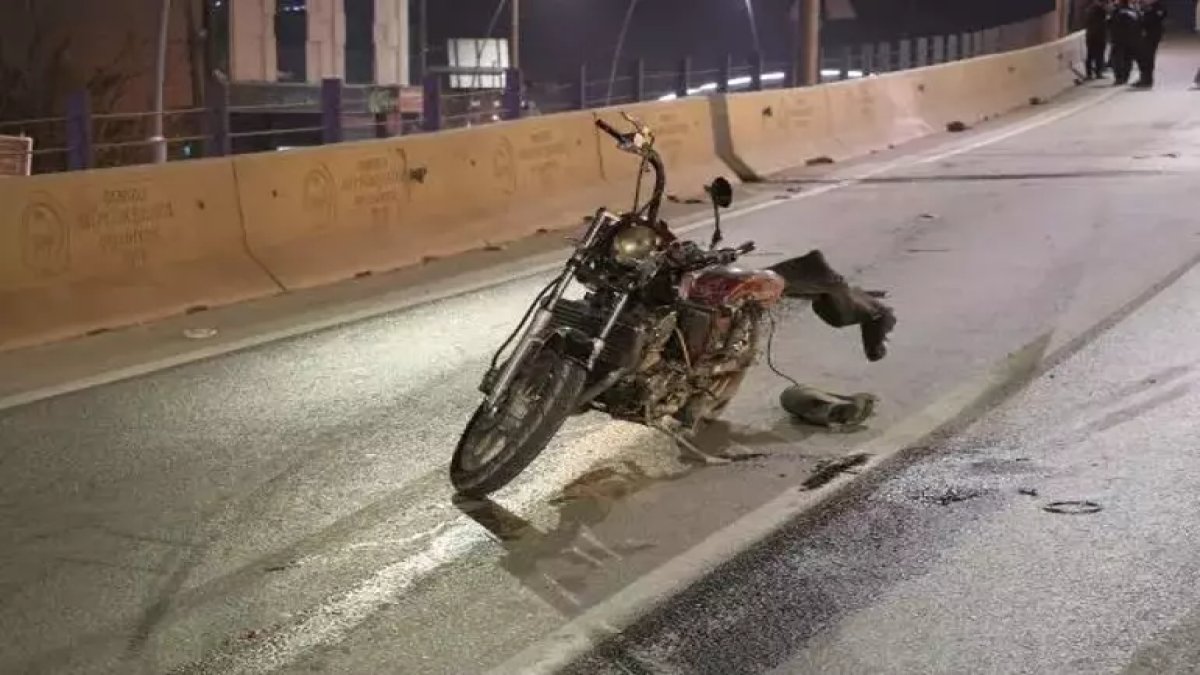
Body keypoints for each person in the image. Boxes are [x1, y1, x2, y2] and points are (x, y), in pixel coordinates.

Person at [1135, 0, 1168, 88]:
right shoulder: (1143, 5)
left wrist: (1149, 9)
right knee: (1142, 56)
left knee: (1148, 57)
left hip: (1152, 34)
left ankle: (1147, 79)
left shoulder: (1158, 6)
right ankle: (1144, 77)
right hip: (1144, 33)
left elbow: (1161, 15)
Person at [1109, 0, 1143, 85]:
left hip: (1118, 40)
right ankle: (1125, 77)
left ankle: (1119, 78)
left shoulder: (1116, 12)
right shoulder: (1134, 12)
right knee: (1128, 59)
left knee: (1117, 59)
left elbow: (1111, 25)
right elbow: (1139, 24)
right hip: (1131, 40)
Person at [1086, 0, 1112, 79]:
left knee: (1090, 55)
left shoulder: (1090, 9)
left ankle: (1090, 73)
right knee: (1098, 55)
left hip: (1091, 35)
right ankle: (1097, 73)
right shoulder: (1101, 10)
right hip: (1099, 36)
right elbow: (1107, 19)